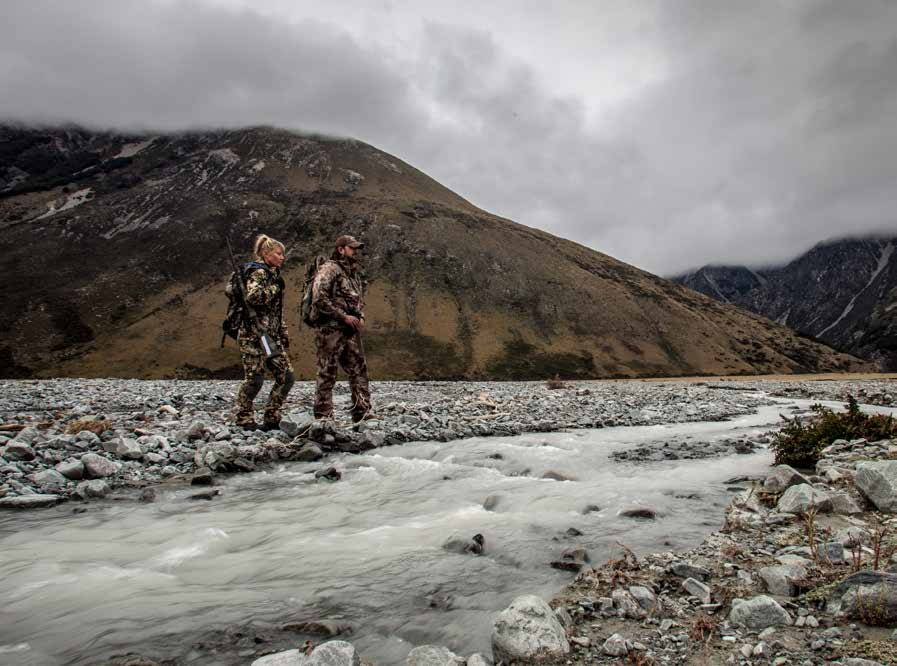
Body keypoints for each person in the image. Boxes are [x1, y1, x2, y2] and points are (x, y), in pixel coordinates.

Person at [310, 234, 374, 422]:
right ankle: (323, 416)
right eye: (352, 248)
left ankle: (362, 411)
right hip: (330, 329)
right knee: (327, 371)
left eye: (356, 248)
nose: (355, 252)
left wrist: (359, 316)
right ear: (341, 249)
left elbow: (356, 300)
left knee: (359, 369)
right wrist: (343, 316)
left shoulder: (352, 273)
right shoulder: (329, 269)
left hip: (350, 330)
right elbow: (319, 298)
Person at [234, 234, 294, 431]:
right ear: (266, 254)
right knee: (254, 378)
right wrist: (275, 289)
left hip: (270, 335)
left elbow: (275, 311)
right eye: (278, 254)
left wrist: (282, 331)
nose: (282, 258)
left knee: (286, 375)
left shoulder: (272, 274)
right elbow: (254, 297)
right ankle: (244, 418)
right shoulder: (259, 273)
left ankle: (272, 415)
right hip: (253, 335)